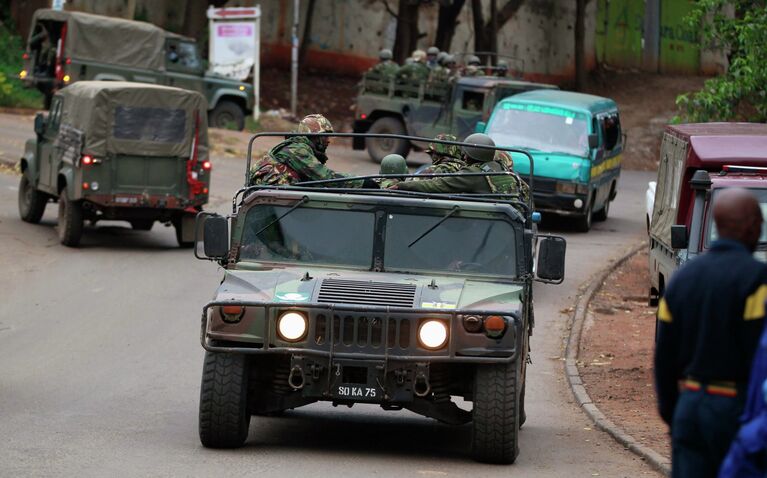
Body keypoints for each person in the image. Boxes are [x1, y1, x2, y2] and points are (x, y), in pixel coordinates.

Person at [655, 188, 767, 478]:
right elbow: (759, 352)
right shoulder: (758, 280)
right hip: (736, 411)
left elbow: (663, 357)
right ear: (752, 226)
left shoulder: (681, 281)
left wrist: (674, 413)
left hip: (690, 407)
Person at [249, 114, 374, 188]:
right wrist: (365, 183)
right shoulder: (297, 150)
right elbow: (326, 177)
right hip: (270, 205)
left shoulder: (300, 148)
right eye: (325, 136)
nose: (328, 141)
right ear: (314, 136)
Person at [388, 133, 523, 197]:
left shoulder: (474, 174)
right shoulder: (500, 168)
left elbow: (437, 185)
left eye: (467, 154)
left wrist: (402, 185)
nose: (463, 157)